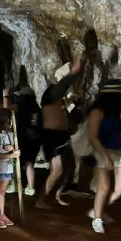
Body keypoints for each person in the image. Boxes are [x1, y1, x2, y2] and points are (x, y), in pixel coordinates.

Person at [36, 58, 83, 209]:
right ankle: (41, 200)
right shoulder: (50, 93)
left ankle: (56, 195)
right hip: (52, 136)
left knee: (68, 167)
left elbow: (65, 115)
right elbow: (62, 86)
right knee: (57, 169)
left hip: (61, 136)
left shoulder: (58, 99)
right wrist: (74, 72)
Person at [87, 80, 121, 233]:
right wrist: (105, 157)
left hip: (116, 152)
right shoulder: (97, 111)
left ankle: (97, 210)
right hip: (100, 152)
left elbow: (118, 130)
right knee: (104, 188)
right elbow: (92, 137)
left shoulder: (114, 112)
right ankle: (97, 220)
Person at [0, 108, 20, 228]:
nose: (11, 123)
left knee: (2, 192)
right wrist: (11, 154)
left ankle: (2, 214)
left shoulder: (11, 134)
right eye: (9, 120)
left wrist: (12, 148)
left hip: (8, 168)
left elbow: (10, 148)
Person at [12, 74, 42, 196]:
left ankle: (15, 185)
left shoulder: (20, 106)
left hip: (23, 137)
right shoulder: (36, 107)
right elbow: (36, 121)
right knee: (29, 163)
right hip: (35, 138)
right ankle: (30, 188)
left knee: (16, 161)